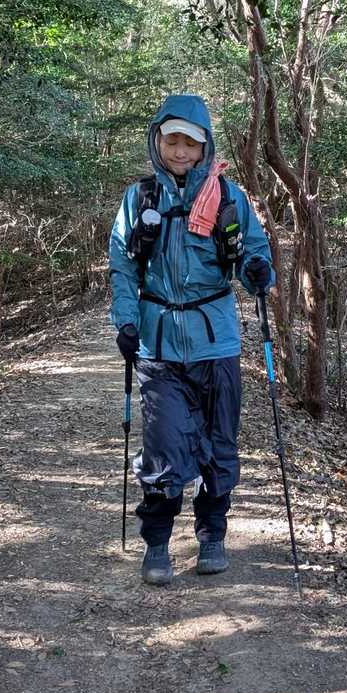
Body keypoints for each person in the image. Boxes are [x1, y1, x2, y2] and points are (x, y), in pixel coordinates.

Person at [109, 94, 275, 584]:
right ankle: (157, 543)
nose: (181, 151)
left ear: (205, 147)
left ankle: (212, 536)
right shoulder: (140, 198)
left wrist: (258, 272)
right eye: (172, 141)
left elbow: (253, 252)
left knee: (220, 444)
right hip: (158, 343)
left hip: (216, 340)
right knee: (163, 446)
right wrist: (126, 322)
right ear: (157, 142)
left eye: (190, 143)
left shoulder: (229, 197)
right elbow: (123, 264)